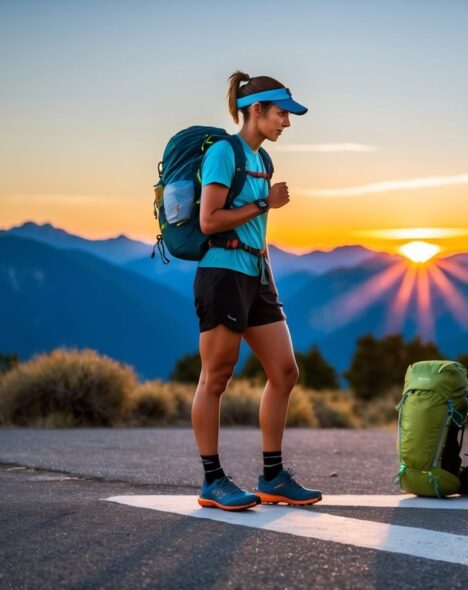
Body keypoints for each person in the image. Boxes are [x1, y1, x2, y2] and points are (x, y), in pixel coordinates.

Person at [193, 71, 321, 511]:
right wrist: (267, 201)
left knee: (285, 372)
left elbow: (255, 227)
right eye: (281, 113)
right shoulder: (223, 155)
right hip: (222, 273)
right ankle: (212, 481)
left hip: (256, 275)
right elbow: (208, 221)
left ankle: (272, 476)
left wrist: (267, 273)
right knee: (217, 377)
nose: (286, 122)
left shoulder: (264, 162)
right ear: (256, 111)